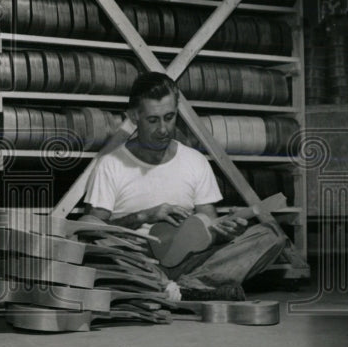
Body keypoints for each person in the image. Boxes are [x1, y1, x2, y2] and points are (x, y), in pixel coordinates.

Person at [83, 71, 286, 301]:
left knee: (271, 235)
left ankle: (184, 288)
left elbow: (209, 227)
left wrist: (227, 231)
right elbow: (91, 231)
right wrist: (143, 216)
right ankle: (185, 287)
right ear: (133, 116)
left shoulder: (194, 161)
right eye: (153, 120)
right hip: (136, 260)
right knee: (100, 246)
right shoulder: (111, 165)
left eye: (169, 117)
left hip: (187, 262)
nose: (163, 129)